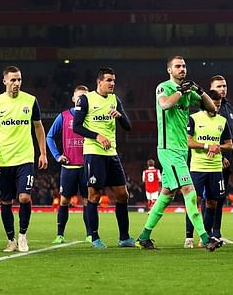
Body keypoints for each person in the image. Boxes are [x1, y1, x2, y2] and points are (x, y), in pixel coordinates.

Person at [136, 55, 222, 251]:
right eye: (178, 66)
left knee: (166, 194)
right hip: (169, 150)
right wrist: (180, 91)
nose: (182, 69)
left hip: (182, 151)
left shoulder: (189, 92)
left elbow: (211, 108)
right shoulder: (163, 87)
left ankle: (143, 237)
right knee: (189, 192)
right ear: (169, 70)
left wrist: (199, 90)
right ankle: (206, 238)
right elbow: (165, 104)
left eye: (184, 66)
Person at [0, 65, 48, 253]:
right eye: (13, 80)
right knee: (5, 201)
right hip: (4, 159)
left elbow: (38, 127)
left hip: (25, 158)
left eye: (19, 79)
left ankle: (22, 235)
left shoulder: (30, 101)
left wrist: (43, 153)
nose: (16, 83)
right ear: (4, 81)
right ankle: (10, 239)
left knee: (24, 197)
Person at [73, 67, 135, 248]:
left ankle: (124, 238)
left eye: (114, 80)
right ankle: (94, 237)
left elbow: (128, 126)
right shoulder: (86, 99)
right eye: (109, 80)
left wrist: (120, 116)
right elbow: (77, 127)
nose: (112, 83)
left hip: (112, 154)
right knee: (94, 195)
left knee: (123, 195)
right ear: (99, 82)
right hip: (94, 153)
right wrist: (97, 136)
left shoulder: (115, 100)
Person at [186, 89, 233, 243]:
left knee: (212, 202)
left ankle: (204, 237)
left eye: (219, 105)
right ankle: (188, 236)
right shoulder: (193, 119)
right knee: (194, 200)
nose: (216, 108)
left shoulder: (222, 121)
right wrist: (207, 146)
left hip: (215, 169)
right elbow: (189, 142)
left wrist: (218, 147)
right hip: (197, 168)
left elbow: (229, 145)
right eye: (214, 105)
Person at [46, 85, 91, 244]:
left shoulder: (91, 116)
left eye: (84, 97)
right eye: (78, 97)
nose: (80, 100)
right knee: (64, 201)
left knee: (88, 201)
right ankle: (60, 234)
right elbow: (49, 137)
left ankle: (90, 234)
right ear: (73, 99)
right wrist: (57, 155)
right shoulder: (64, 116)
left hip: (87, 167)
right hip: (69, 167)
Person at [206, 75, 233, 244]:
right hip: (212, 161)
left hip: (227, 162)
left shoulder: (229, 108)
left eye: (224, 86)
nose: (222, 89)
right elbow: (208, 136)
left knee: (220, 197)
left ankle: (217, 232)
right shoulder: (208, 108)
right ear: (211, 88)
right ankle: (205, 233)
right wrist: (220, 157)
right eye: (219, 86)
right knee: (210, 198)